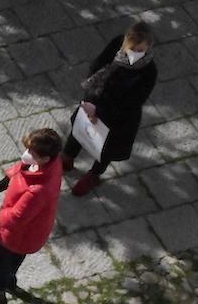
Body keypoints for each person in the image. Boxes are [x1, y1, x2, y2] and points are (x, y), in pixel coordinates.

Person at [61, 22, 159, 198]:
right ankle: (67, 159)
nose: (134, 54)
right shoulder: (117, 45)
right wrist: (90, 100)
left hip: (119, 117)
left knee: (106, 149)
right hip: (95, 101)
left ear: (148, 47)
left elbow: (134, 102)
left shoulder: (149, 72)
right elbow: (96, 68)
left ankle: (93, 175)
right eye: (132, 48)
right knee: (79, 131)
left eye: (140, 50)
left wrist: (98, 111)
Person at [0, 128, 64, 304]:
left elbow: (16, 218)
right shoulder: (49, 164)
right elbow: (19, 170)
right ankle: (8, 280)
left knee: (0, 257)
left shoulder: (38, 190)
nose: (26, 154)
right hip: (29, 234)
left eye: (31, 152)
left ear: (44, 158)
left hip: (17, 235)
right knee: (12, 260)